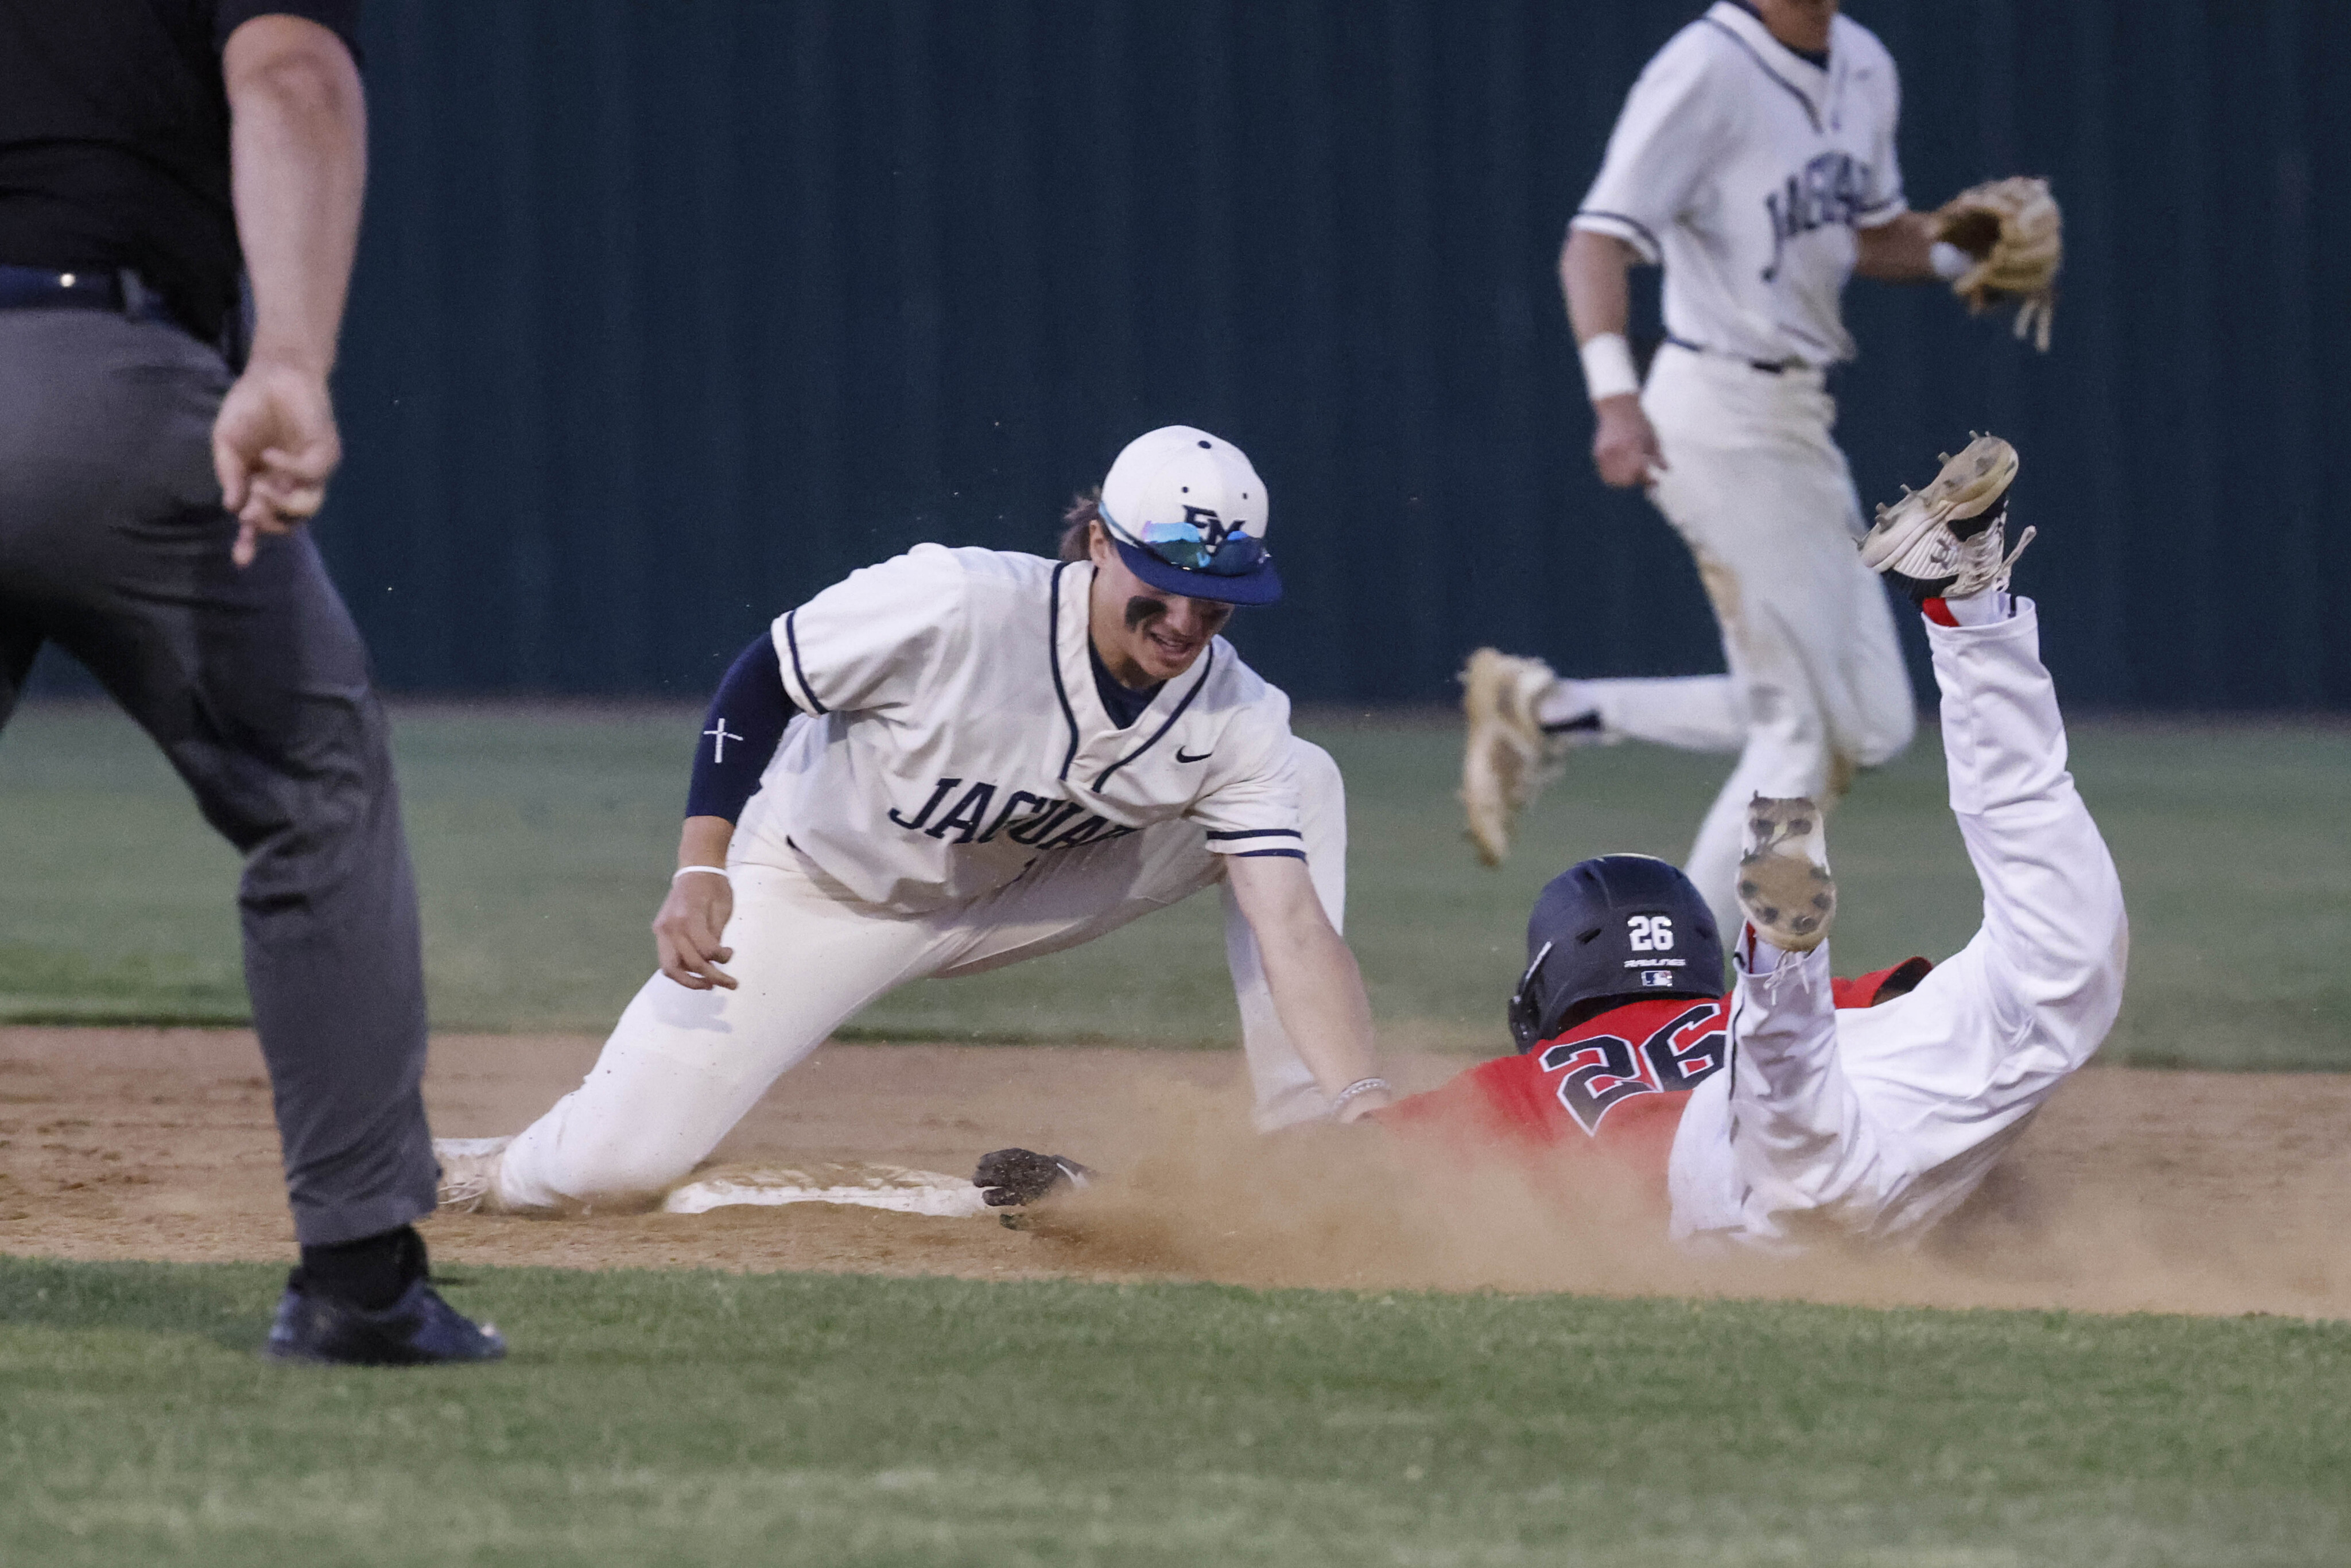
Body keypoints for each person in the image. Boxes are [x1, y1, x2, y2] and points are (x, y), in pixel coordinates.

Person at [995, 436, 2128, 1256]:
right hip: (1874, 1067)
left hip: (1745, 1161)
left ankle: (1778, 950)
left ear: (1549, 986)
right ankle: (1967, 613)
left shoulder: (1525, 1082)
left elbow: (1330, 1174)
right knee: (2057, 969)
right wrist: (1978, 1163)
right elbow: (1920, 1005)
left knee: (1789, 1138)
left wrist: (1115, 1199)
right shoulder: (1713, 1012)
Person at [436, 426, 1395, 1215]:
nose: (1186, 619)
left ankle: (1311, 1142)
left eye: (1217, 599)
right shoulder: (959, 605)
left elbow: (1293, 926)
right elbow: (763, 679)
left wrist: (1364, 1100)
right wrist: (702, 865)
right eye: (1163, 582)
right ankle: (481, 1172)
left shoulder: (1230, 711)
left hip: (1021, 890)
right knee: (611, 1171)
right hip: (821, 888)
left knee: (1302, 777)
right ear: (1101, 543)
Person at [0, 2, 501, 1363]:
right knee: (314, 790)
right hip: (91, 372)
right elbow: (291, 77)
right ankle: (358, 1281)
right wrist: (289, 356)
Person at [1458, 0, 2059, 944]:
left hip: (1797, 419)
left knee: (1872, 724)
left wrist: (1955, 250)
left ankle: (1549, 709)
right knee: (1800, 735)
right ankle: (1675, 997)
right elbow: (1596, 239)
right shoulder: (1705, 68)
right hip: (1711, 412)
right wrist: (1616, 398)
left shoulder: (1862, 63)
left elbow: (1864, 234)